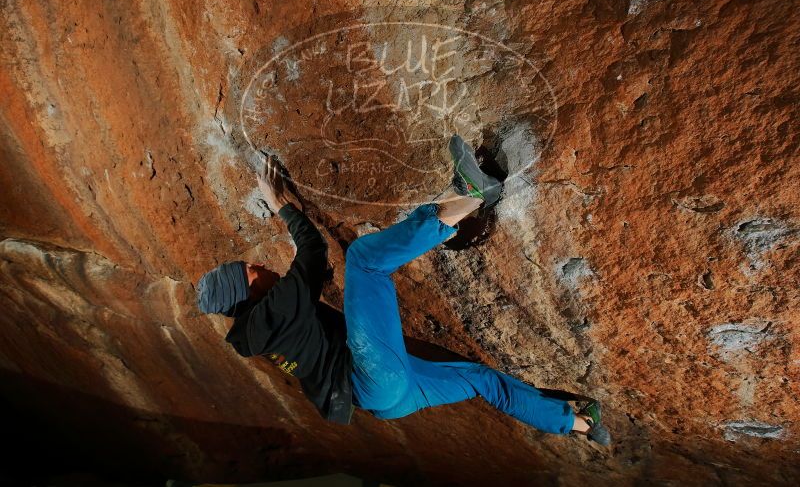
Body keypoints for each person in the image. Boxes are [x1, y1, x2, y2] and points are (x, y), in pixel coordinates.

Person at [196, 136, 610, 445]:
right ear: (246, 292)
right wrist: (282, 205)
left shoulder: (257, 332)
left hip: (387, 403)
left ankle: (578, 424)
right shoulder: (273, 311)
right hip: (372, 376)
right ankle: (468, 196)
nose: (259, 266)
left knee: (484, 381)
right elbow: (313, 251)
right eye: (250, 271)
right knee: (364, 260)